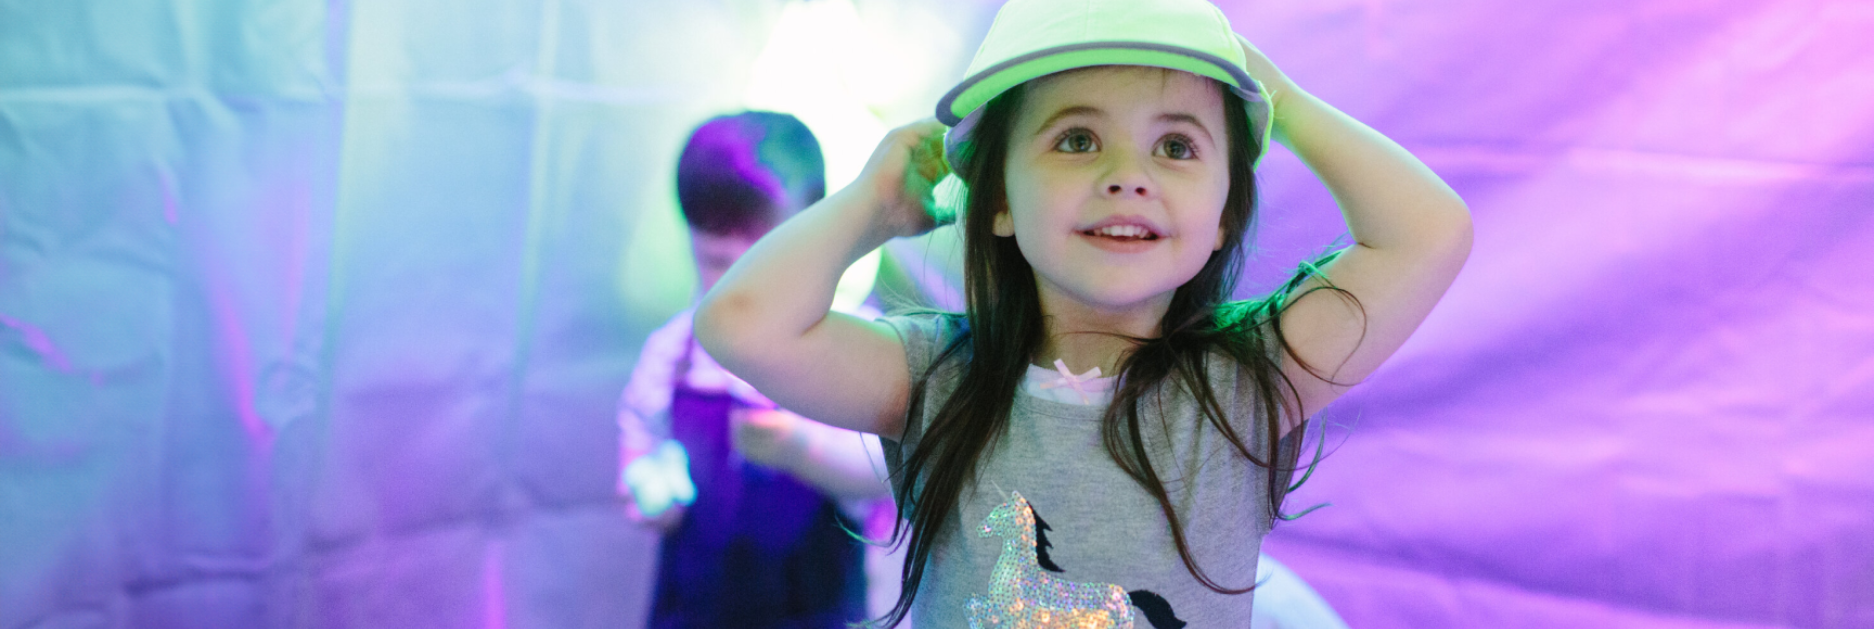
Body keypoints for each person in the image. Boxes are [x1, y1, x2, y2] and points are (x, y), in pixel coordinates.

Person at [692, 0, 1473, 625]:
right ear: (997, 197)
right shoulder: (933, 377)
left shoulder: (1250, 380)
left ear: (1226, 212)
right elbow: (741, 323)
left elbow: (1428, 235)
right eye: (1077, 139)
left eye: (1176, 147)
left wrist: (1289, 104)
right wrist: (871, 207)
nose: (1127, 175)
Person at [615, 111, 891, 628]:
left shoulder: (853, 345)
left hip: (814, 609)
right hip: (693, 611)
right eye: (717, 262)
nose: (742, 288)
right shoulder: (676, 352)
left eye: (764, 260)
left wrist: (798, 447)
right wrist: (649, 493)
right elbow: (640, 443)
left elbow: (885, 474)